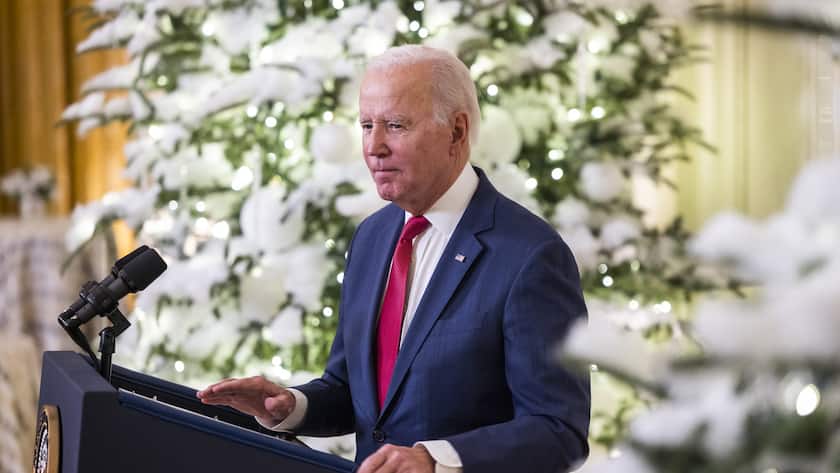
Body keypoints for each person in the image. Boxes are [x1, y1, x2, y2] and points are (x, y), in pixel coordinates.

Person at [198, 45, 590, 473]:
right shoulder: (372, 236)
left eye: (396, 125)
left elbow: (558, 431)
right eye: (367, 125)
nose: (374, 146)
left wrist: (437, 460)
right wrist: (291, 406)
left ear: (457, 132)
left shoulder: (531, 255)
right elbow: (354, 391)